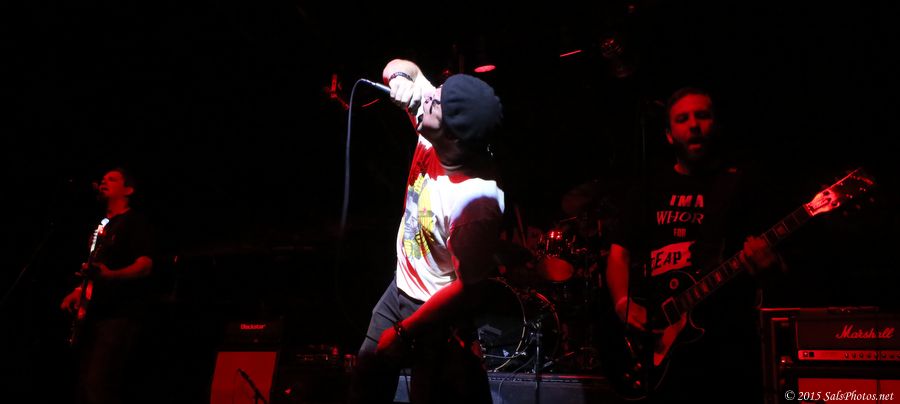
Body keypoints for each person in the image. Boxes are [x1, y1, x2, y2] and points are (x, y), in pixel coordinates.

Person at [604, 87, 785, 402]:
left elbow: (775, 265)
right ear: (669, 134)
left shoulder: (740, 185)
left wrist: (769, 266)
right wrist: (623, 303)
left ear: (717, 125)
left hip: (724, 342)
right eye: (682, 119)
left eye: (702, 116)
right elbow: (619, 253)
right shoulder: (649, 189)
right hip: (659, 340)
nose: (693, 125)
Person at [348, 59, 504, 404]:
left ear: (452, 136)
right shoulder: (436, 127)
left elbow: (468, 288)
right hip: (400, 288)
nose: (426, 98)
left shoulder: (474, 203)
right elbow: (403, 68)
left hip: (436, 312)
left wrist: (405, 331)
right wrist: (400, 78)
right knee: (365, 383)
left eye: (434, 102)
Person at [60, 167, 156, 404]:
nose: (104, 181)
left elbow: (145, 265)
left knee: (98, 385)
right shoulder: (101, 226)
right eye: (103, 178)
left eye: (112, 179)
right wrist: (79, 291)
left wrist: (112, 276)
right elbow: (96, 270)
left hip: (119, 314)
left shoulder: (134, 221)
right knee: (82, 386)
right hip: (94, 314)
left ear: (129, 190)